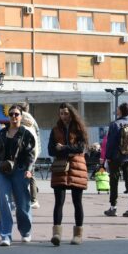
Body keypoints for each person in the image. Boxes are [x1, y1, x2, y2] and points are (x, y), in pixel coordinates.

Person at [0, 104, 36, 246]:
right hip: (3, 171)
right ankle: (5, 235)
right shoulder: (2, 133)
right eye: (11, 114)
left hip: (20, 171)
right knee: (4, 202)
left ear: (21, 116)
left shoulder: (26, 134)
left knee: (22, 204)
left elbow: (30, 154)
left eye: (16, 114)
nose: (14, 117)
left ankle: (26, 232)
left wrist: (29, 169)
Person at [48, 103, 89, 246]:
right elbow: (51, 150)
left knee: (77, 202)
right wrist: (68, 150)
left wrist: (63, 148)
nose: (63, 116)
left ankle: (78, 235)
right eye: (61, 113)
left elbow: (80, 148)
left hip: (77, 167)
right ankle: (56, 234)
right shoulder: (55, 130)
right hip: (60, 167)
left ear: (71, 113)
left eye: (66, 113)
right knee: (58, 202)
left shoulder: (79, 129)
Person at [102, 103, 128, 218]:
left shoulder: (115, 124)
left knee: (114, 182)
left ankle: (113, 207)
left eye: (117, 109)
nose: (116, 110)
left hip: (115, 157)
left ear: (120, 111)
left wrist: (107, 157)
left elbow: (110, 143)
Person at [20, 110, 42, 209]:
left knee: (25, 178)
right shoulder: (32, 128)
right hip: (33, 157)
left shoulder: (24, 129)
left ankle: (31, 200)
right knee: (32, 178)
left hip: (26, 158)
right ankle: (33, 199)